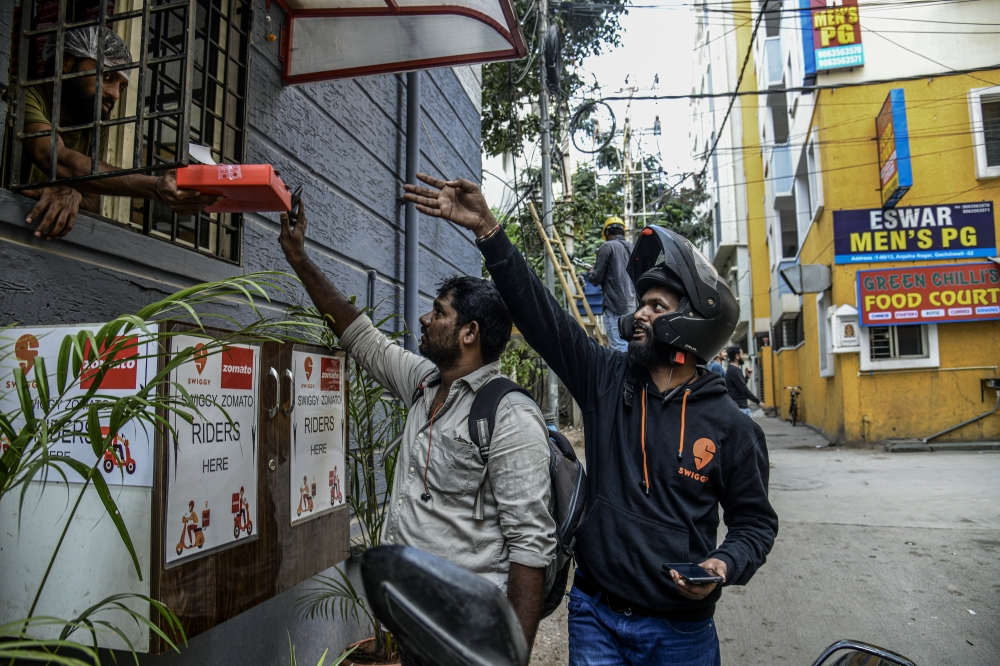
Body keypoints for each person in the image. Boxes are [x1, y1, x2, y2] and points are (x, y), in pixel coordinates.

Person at [404, 174, 778, 666]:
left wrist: (723, 563)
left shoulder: (732, 427)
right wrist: (488, 231)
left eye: (656, 306)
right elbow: (543, 318)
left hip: (680, 634)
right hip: (595, 614)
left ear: (692, 327)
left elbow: (754, 523)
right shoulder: (608, 380)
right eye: (641, 303)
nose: (639, 313)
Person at [277, 200, 556, 664]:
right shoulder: (425, 384)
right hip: (417, 623)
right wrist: (299, 258)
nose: (425, 320)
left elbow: (530, 547)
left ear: (469, 333)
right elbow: (359, 334)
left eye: (438, 312)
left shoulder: (509, 416)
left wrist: (511, 656)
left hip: (468, 633)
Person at [20, 26, 218, 241]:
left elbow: (93, 203)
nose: (114, 94)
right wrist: (155, 186)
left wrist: (73, 193)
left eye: (121, 87)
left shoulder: (93, 126)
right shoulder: (24, 96)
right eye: (106, 76)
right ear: (66, 62)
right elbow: (53, 157)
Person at [584, 217, 634, 352]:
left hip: (615, 306)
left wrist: (590, 273)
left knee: (619, 348)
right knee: (631, 346)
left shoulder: (607, 246)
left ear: (606, 233)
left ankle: (623, 374)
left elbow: (596, 279)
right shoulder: (632, 248)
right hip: (633, 308)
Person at [725, 346, 765, 417]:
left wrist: (746, 377)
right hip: (740, 407)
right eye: (742, 354)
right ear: (737, 356)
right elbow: (743, 389)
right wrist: (758, 402)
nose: (743, 356)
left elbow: (739, 386)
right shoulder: (734, 371)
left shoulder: (732, 370)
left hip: (739, 406)